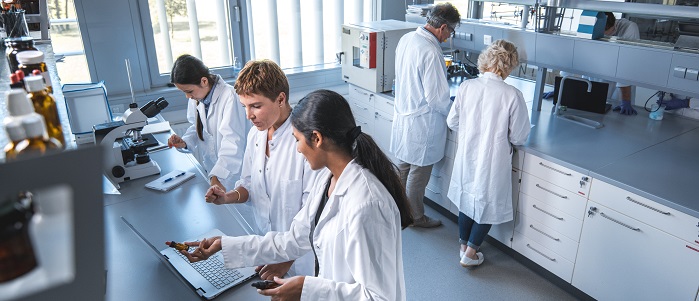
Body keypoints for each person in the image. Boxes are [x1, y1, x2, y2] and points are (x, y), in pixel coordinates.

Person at [179, 89, 412, 300]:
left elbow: (379, 297)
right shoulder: (327, 180)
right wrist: (224, 244)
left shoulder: (367, 204)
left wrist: (307, 289)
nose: (298, 149)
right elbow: (293, 240)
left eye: (298, 140)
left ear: (317, 139)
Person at [204, 59, 315, 279]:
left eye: (255, 106)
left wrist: (287, 259)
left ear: (280, 98)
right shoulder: (256, 135)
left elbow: (313, 216)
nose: (248, 115)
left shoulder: (306, 143)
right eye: (244, 106)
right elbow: (249, 185)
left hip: (302, 260)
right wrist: (227, 197)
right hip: (268, 249)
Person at [446, 40, 531, 267]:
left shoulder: (467, 86)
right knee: (488, 203)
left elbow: (452, 121)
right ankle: (471, 253)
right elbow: (519, 137)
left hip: (468, 154)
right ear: (510, 65)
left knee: (467, 197)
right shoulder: (512, 94)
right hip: (493, 159)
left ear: (486, 58)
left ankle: (463, 246)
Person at [392, 2, 460, 228]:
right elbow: (438, 99)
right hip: (423, 122)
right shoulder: (431, 51)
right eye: (451, 31)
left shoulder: (408, 39)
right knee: (417, 175)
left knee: (404, 168)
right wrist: (455, 115)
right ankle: (416, 217)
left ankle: (399, 210)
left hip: (406, 114)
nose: (449, 36)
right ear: (443, 28)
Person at [167, 54, 248, 191]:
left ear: (204, 81)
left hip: (234, 173)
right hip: (213, 171)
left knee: (236, 209)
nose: (187, 96)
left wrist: (218, 176)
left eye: (189, 91)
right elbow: (197, 126)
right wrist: (185, 142)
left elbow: (233, 142)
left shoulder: (230, 97)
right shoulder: (197, 97)